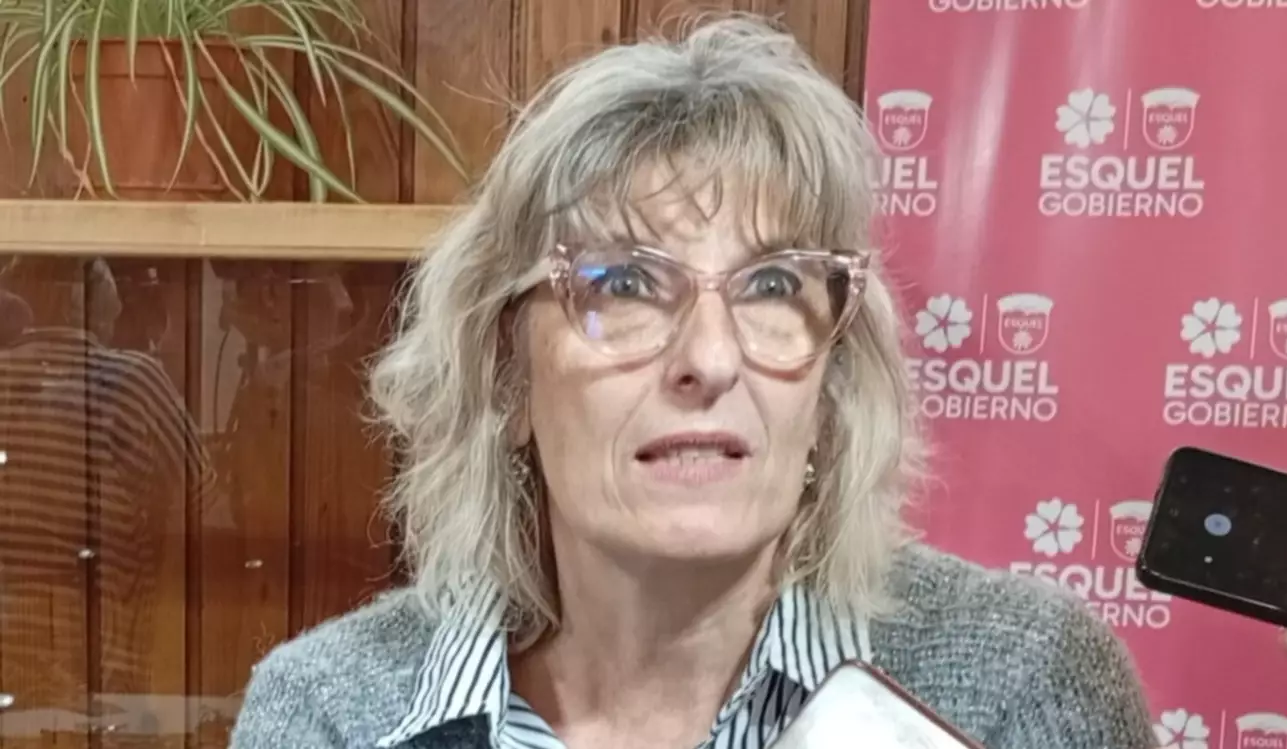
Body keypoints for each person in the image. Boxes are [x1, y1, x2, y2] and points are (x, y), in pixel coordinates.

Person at [229, 14, 1154, 749]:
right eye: (624, 285)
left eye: (772, 286)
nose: (709, 360)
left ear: (831, 383)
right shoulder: (332, 713)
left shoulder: (1023, 683)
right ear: (507, 375)